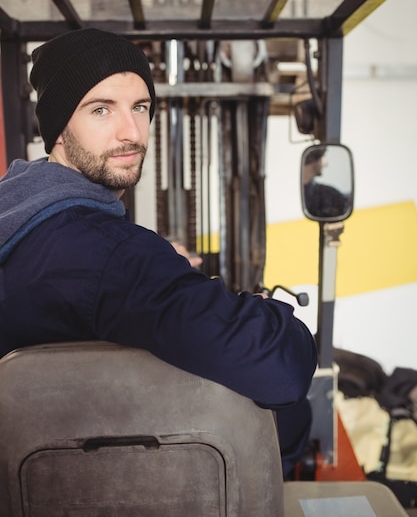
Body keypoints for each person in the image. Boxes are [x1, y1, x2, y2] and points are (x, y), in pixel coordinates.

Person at [0, 28, 317, 476]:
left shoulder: (21, 215)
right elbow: (282, 366)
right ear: (58, 125)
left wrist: (161, 268)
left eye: (140, 107)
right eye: (101, 109)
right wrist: (265, 316)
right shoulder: (111, 255)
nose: (131, 132)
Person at [302, 147, 349, 219]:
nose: (326, 164)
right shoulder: (330, 194)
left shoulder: (332, 194)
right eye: (322, 157)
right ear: (312, 160)